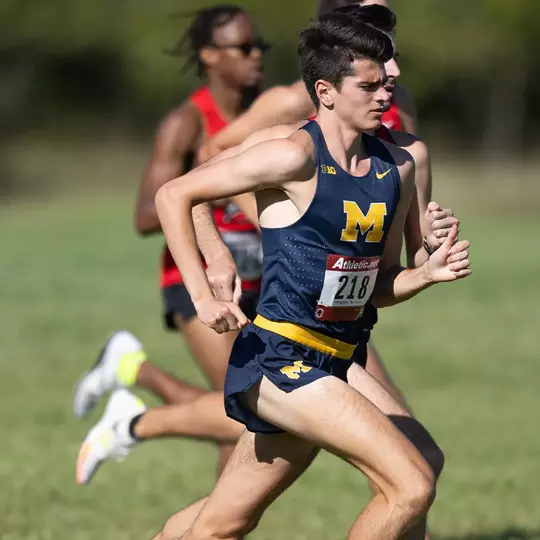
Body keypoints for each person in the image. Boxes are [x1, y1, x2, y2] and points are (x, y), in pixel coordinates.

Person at [74, 8, 457, 515]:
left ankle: (134, 417)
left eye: (391, 49)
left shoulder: (400, 147)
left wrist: (428, 266)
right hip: (283, 347)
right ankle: (135, 418)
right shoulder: (291, 129)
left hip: (339, 345)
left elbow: (382, 277)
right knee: (409, 482)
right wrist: (217, 263)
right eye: (375, 53)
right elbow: (187, 187)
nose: (392, 75)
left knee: (222, 522)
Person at [73, 4, 272, 482]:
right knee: (244, 405)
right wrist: (203, 195)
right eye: (243, 47)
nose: (256, 56)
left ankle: (133, 370)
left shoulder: (270, 112)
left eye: (260, 46)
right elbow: (146, 214)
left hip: (260, 280)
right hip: (197, 279)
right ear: (209, 55)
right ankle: (135, 409)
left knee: (245, 415)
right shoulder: (186, 123)